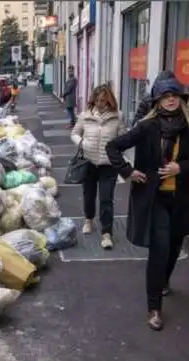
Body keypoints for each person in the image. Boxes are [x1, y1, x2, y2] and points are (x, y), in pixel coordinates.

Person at [105, 74, 189, 331]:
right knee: (159, 250)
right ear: (157, 100)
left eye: (174, 96)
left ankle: (164, 282)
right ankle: (154, 308)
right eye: (165, 97)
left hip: (182, 197)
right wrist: (128, 171)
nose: (171, 100)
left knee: (175, 246)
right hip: (155, 199)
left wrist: (182, 167)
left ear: (181, 98)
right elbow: (113, 146)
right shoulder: (148, 126)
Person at [70, 84, 124, 250]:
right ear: (93, 99)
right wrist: (82, 143)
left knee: (106, 198)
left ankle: (107, 233)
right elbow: (74, 133)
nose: (101, 103)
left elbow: (123, 138)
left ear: (110, 100)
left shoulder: (118, 116)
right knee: (89, 194)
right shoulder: (84, 116)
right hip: (89, 162)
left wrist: (117, 147)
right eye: (98, 100)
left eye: (104, 100)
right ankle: (88, 219)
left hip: (109, 165)